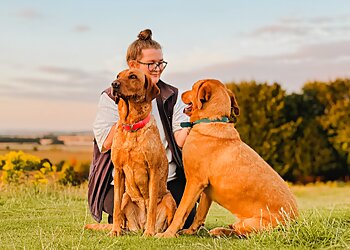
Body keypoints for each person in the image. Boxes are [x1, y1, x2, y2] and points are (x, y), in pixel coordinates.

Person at [87, 29, 196, 229]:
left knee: (186, 216)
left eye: (160, 63)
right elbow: (105, 144)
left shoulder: (171, 95)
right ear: (133, 65)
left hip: (165, 182)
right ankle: (121, 222)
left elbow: (180, 140)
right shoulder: (111, 96)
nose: (157, 68)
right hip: (125, 185)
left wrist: (194, 120)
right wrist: (127, 115)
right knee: (118, 212)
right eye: (151, 63)